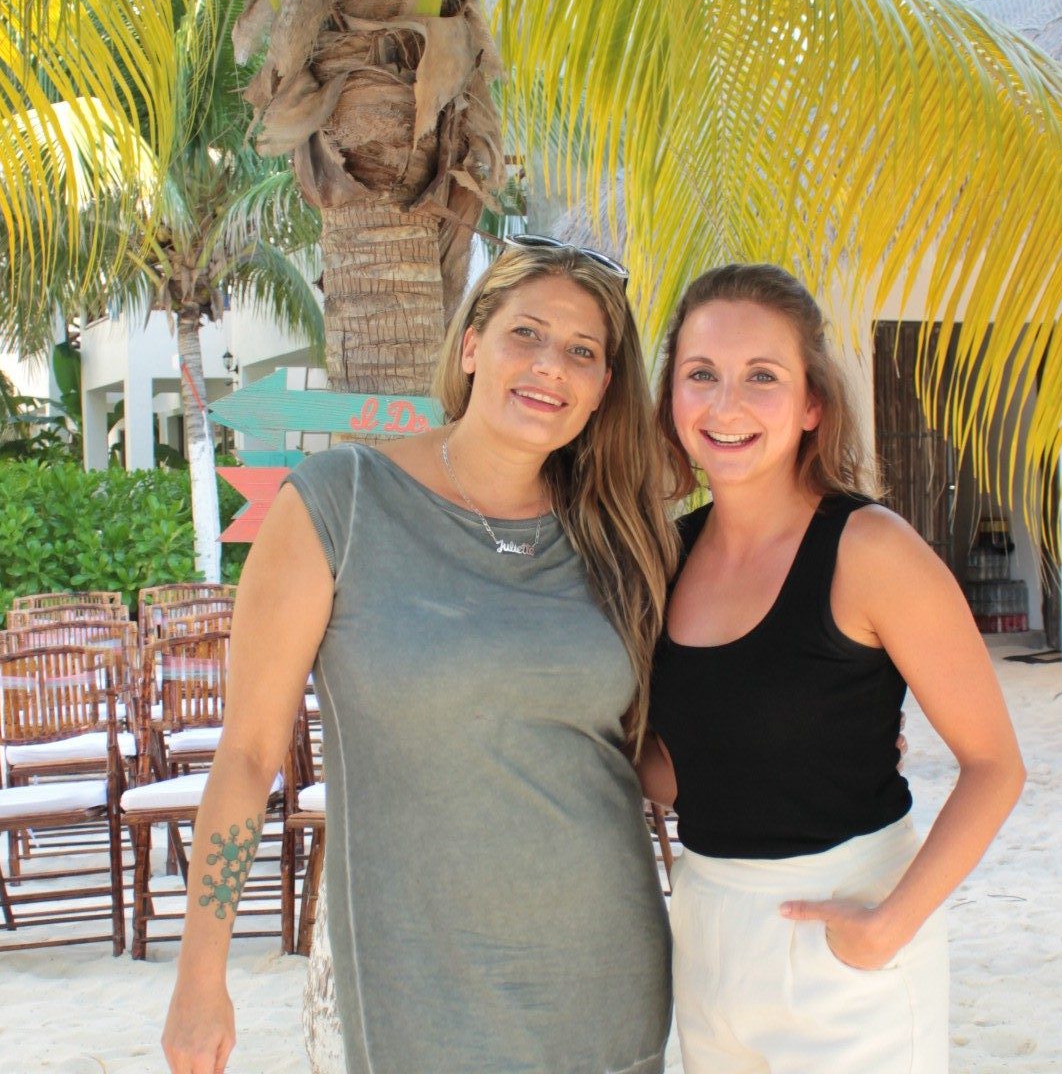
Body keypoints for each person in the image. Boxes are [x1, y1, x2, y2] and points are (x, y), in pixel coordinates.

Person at [161, 239, 679, 1074]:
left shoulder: (622, 535)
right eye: (527, 334)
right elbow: (250, 753)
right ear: (471, 346)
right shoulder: (339, 503)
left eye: (582, 352)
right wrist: (199, 976)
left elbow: (648, 757)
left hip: (602, 971)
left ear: (601, 391)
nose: (551, 365)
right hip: (409, 982)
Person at [639, 264, 1025, 1074]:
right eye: (700, 375)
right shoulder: (664, 559)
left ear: (812, 404)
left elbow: (995, 767)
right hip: (708, 927)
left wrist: (888, 926)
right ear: (671, 397)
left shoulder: (871, 550)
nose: (726, 404)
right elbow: (689, 775)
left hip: (851, 924)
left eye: (763, 378)